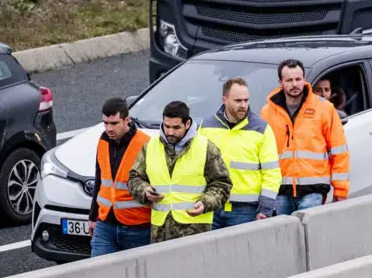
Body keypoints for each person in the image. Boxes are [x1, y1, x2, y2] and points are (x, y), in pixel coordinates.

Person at [128, 100, 232, 244]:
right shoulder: (151, 146)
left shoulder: (206, 148)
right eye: (166, 126)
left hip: (194, 232)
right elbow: (134, 178)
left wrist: (205, 203)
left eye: (176, 127)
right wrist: (144, 190)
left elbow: (222, 184)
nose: (170, 132)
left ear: (187, 124)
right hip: (160, 233)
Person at [261, 59, 349, 214]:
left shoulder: (324, 108)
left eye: (298, 79)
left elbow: (339, 151)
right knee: (284, 235)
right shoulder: (268, 112)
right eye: (289, 80)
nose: (294, 84)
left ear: (304, 80)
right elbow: (261, 154)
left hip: (313, 189)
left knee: (308, 234)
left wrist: (340, 190)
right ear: (280, 82)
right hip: (281, 190)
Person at [202, 78, 281, 229]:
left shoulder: (261, 129)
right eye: (238, 101)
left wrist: (266, 208)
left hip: (246, 211)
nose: (243, 105)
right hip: (212, 207)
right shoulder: (206, 127)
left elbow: (271, 173)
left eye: (246, 100)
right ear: (224, 100)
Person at [88, 97, 151, 257]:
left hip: (138, 227)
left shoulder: (145, 144)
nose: (109, 128)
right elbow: (99, 180)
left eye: (114, 123)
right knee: (100, 273)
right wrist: (93, 217)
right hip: (105, 224)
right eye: (105, 123)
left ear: (127, 120)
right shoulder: (103, 140)